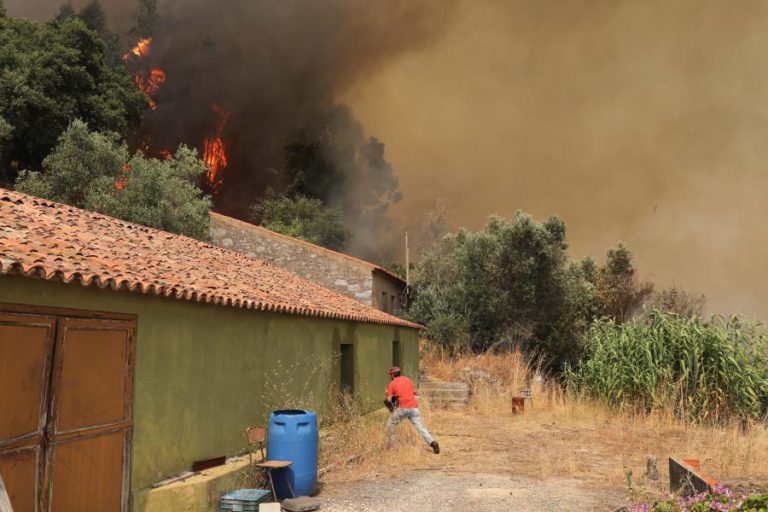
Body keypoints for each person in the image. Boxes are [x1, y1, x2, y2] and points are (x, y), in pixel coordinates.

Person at [384, 366, 440, 454]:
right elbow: (414, 392)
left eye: (390, 374)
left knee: (390, 424)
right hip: (414, 408)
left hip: (403, 408)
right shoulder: (408, 380)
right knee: (420, 427)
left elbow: (388, 399)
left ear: (393, 375)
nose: (390, 376)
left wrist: (387, 394)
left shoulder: (392, 383)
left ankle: (392, 445)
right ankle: (433, 443)